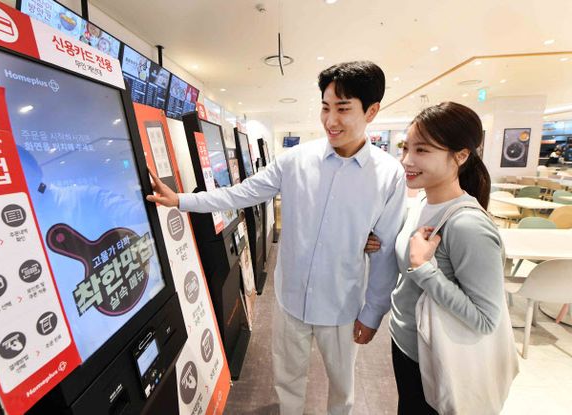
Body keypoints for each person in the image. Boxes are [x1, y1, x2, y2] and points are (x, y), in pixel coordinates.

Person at [146, 61, 406, 415]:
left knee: (343, 388)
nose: (331, 120)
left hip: (343, 305)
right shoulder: (296, 160)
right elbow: (240, 194)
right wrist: (180, 200)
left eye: (343, 109)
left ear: (371, 111)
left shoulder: (389, 175)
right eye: (325, 107)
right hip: (290, 299)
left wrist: (373, 312)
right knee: (288, 383)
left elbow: (386, 251)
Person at [385, 102, 505, 413]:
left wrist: (425, 268)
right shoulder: (422, 202)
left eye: (422, 150)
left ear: (461, 156)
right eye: (405, 148)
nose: (407, 160)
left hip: (436, 357)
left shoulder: (468, 226)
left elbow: (485, 319)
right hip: (407, 344)